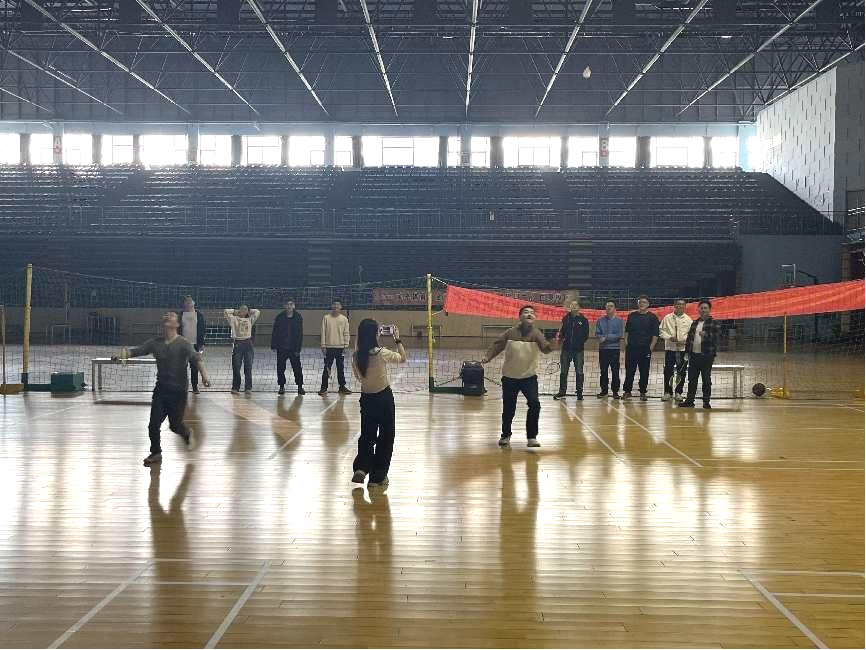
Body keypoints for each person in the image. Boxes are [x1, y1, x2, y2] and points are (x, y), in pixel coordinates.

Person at [116, 312, 210, 466]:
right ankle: (156, 452)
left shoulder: (184, 343)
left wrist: (205, 376)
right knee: (153, 424)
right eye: (166, 316)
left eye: (172, 316)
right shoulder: (155, 343)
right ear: (163, 323)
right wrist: (122, 355)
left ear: (177, 324)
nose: (168, 316)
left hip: (178, 392)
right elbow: (137, 351)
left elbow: (197, 359)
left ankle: (186, 433)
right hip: (161, 390)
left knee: (175, 426)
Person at [482, 305, 554, 448]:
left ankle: (532, 437)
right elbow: (497, 345)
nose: (529, 314)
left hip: (529, 377)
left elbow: (546, 349)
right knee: (509, 408)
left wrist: (555, 343)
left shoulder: (537, 334)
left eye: (532, 313)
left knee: (534, 404)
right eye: (526, 312)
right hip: (510, 377)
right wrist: (488, 357)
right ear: (520, 316)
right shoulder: (510, 333)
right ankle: (505, 435)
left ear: (534, 318)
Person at [351, 319, 406, 490]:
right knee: (386, 437)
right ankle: (377, 477)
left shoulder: (356, 356)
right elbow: (402, 358)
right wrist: (397, 340)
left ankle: (361, 468)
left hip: (366, 399)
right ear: (376, 335)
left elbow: (358, 378)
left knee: (367, 436)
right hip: (383, 398)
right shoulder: (382, 353)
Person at [679, 299, 720, 409]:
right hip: (694, 356)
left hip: (707, 356)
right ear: (698, 310)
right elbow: (689, 339)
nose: (703, 310)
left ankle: (706, 402)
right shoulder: (694, 323)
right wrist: (687, 352)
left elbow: (717, 338)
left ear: (709, 310)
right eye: (701, 308)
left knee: (706, 379)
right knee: (692, 379)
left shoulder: (714, 323)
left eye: (705, 308)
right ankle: (689, 401)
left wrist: (706, 335)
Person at [622, 295, 660, 401]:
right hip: (632, 348)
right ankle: (627, 391)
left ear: (648, 304)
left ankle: (643, 392)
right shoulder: (632, 316)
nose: (641, 304)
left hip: (645, 349)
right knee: (630, 370)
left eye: (644, 302)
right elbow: (627, 331)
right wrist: (627, 343)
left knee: (644, 371)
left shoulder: (653, 317)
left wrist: (650, 348)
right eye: (640, 302)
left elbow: (655, 335)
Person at [554, 300, 589, 400]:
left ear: (579, 307)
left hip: (578, 351)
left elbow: (586, 335)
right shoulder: (565, 318)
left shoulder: (583, 320)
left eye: (575, 305)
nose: (573, 306)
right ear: (570, 307)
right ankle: (562, 392)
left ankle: (579, 393)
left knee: (579, 372)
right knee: (563, 372)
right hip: (566, 350)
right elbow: (562, 332)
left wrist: (579, 343)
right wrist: (560, 338)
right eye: (571, 305)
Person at [659, 298, 692, 402]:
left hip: (682, 350)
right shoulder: (667, 318)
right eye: (678, 304)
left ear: (685, 306)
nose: (680, 306)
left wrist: (684, 341)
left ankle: (678, 392)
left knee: (681, 371)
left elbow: (691, 335)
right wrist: (669, 337)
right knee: (668, 371)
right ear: (674, 305)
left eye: (682, 304)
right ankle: (667, 392)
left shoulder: (688, 320)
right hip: (670, 349)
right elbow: (661, 331)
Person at [271, 299, 305, 395]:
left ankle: (300, 387)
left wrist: (298, 348)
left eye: (291, 304)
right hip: (282, 347)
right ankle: (281, 386)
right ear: (284, 306)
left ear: (294, 306)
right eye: (287, 304)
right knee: (280, 368)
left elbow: (300, 334)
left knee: (297, 368)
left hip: (294, 348)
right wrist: (274, 345)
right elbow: (275, 331)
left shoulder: (298, 317)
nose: (289, 306)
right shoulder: (280, 317)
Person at [224, 304, 260, 394]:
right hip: (238, 343)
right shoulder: (233, 319)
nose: (243, 310)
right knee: (236, 366)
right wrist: (235, 311)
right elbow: (226, 311)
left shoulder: (250, 319)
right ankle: (235, 388)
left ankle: (248, 388)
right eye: (241, 309)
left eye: (245, 309)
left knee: (248, 366)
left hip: (248, 343)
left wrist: (249, 310)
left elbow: (257, 312)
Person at [319, 300, 351, 396]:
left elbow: (346, 332)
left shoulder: (344, 319)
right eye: (334, 304)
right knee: (327, 368)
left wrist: (346, 345)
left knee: (340, 368)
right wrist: (323, 345)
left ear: (340, 307)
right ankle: (323, 388)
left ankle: (342, 387)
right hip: (328, 347)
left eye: (337, 305)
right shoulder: (326, 318)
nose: (335, 306)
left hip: (340, 347)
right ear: (331, 306)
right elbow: (323, 332)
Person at [177, 295, 207, 394]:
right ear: (184, 303)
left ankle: (195, 387)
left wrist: (202, 344)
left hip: (195, 345)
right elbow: (176, 329)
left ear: (194, 303)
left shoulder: (199, 315)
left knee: (195, 367)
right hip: (182, 345)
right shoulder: (180, 315)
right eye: (187, 301)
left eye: (190, 301)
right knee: (182, 368)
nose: (188, 303)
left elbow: (202, 330)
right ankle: (182, 387)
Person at [595, 300, 623, 399]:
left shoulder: (619, 321)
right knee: (603, 371)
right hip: (603, 349)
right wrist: (601, 337)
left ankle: (615, 392)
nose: (609, 308)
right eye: (607, 306)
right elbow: (598, 334)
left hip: (614, 349)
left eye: (611, 306)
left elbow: (619, 335)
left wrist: (606, 337)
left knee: (615, 371)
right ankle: (604, 391)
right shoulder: (600, 320)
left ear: (615, 309)